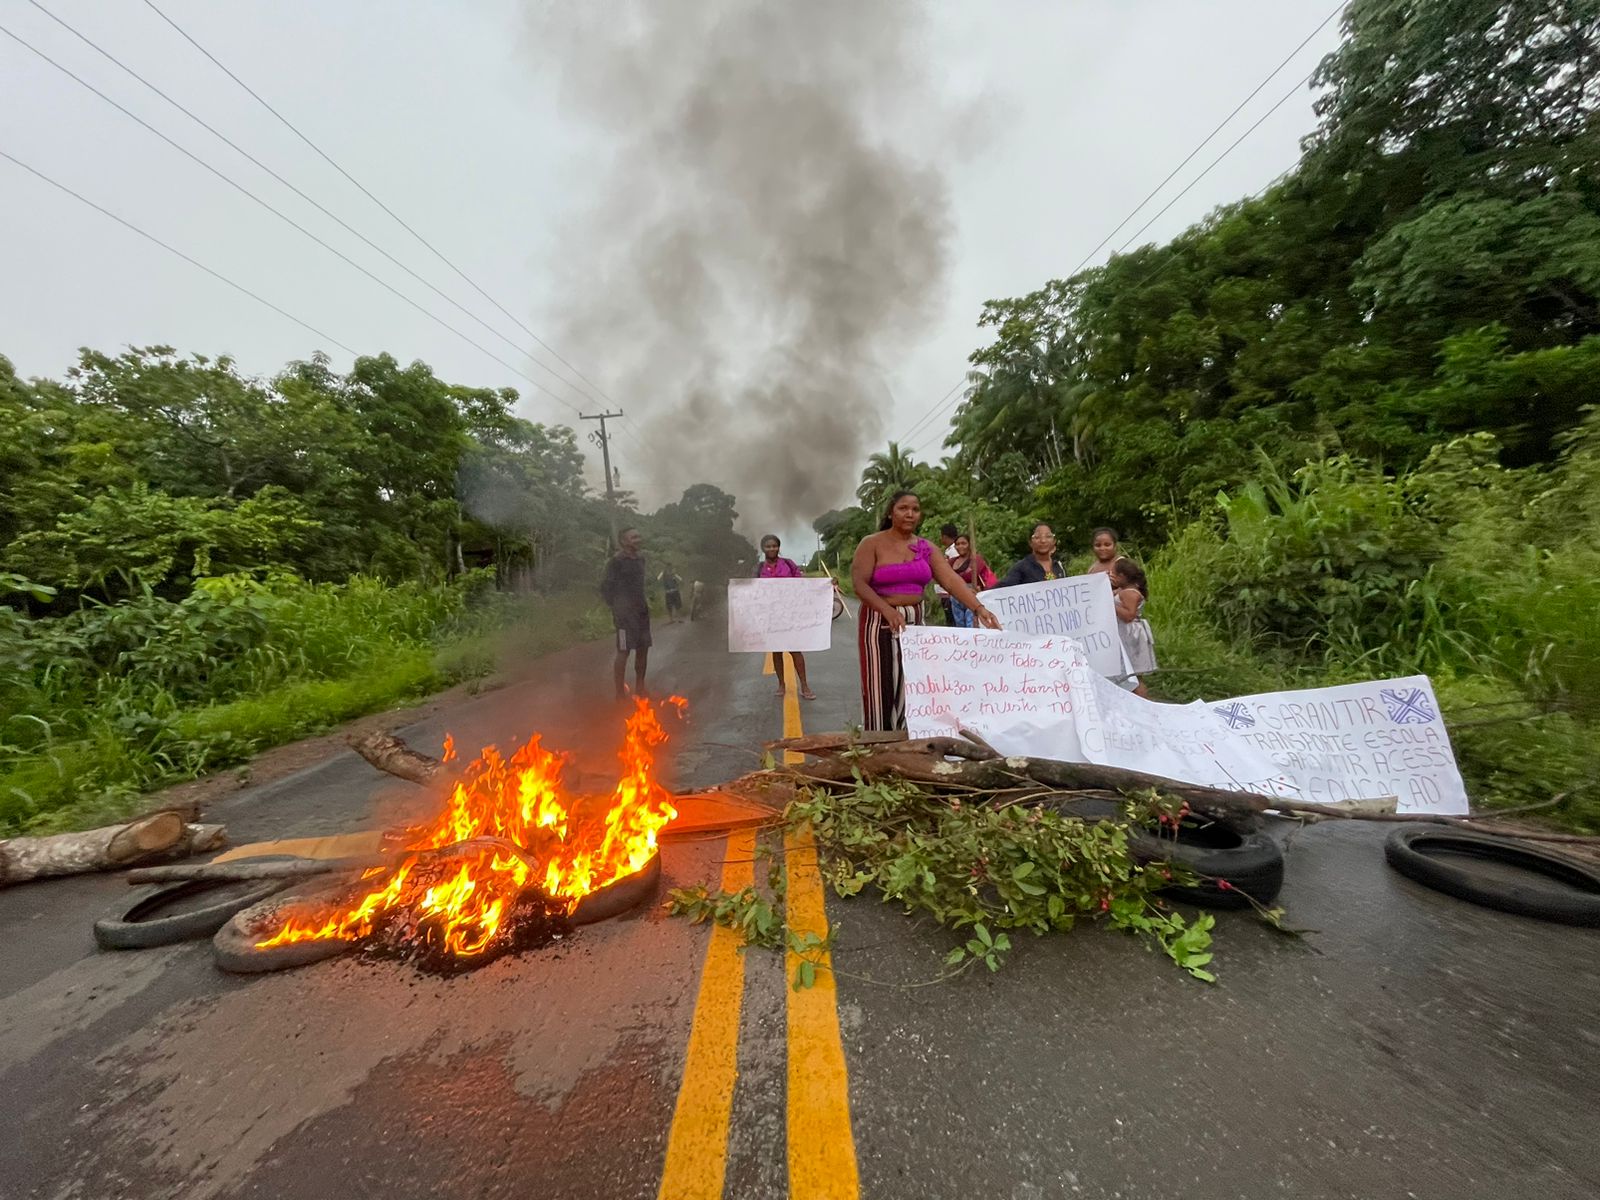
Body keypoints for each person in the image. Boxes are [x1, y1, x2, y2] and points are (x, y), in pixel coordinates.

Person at [851, 491, 1000, 731]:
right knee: (881, 688)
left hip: (914, 626)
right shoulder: (872, 544)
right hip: (878, 621)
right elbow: (860, 585)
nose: (910, 514)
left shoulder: (925, 548)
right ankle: (878, 746)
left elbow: (951, 580)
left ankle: (906, 745)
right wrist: (887, 611)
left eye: (915, 509)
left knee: (912, 687)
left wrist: (979, 608)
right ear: (891, 512)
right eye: (903, 508)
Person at [756, 534, 815, 701]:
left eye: (774, 546)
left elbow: (802, 584)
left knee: (796, 650)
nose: (771, 549)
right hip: (771, 616)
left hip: (790, 615)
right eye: (768, 546)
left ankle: (804, 685)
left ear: (778, 547)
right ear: (763, 549)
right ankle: (781, 684)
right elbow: (751, 590)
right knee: (777, 651)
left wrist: (827, 584)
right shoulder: (759, 568)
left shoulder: (788, 564)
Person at [600, 527, 650, 700]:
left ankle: (640, 688)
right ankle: (619, 693)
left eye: (639, 536)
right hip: (623, 615)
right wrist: (616, 607)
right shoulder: (616, 561)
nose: (638, 539)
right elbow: (606, 587)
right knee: (624, 650)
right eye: (634, 537)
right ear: (624, 541)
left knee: (643, 648)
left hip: (641, 611)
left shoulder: (641, 559)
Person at [1110, 555, 1156, 698]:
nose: (1112, 577)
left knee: (1134, 676)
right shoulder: (1124, 591)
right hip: (1125, 634)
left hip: (1130, 636)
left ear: (1122, 576)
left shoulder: (1129, 593)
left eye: (1114, 575)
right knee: (1128, 675)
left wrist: (1110, 603)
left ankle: (1144, 704)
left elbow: (1129, 615)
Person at [947, 534, 997, 628]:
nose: (960, 546)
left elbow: (972, 573)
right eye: (957, 544)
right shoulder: (952, 561)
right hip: (955, 597)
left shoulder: (976, 559)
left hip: (972, 595)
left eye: (963, 543)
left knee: (971, 625)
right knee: (960, 626)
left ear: (969, 545)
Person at [997, 523, 1067, 588]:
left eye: (1048, 536)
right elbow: (1000, 590)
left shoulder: (1059, 565)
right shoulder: (1022, 568)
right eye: (1037, 537)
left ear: (1054, 541)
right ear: (1030, 542)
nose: (1043, 540)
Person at [932, 522, 960, 624]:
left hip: (949, 593)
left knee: (953, 621)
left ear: (944, 536)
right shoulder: (950, 550)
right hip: (947, 593)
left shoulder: (953, 551)